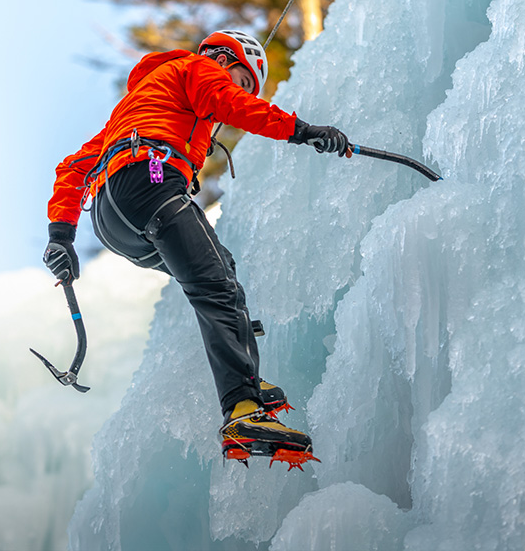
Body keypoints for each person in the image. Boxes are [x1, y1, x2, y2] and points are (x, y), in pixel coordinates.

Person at [44, 30, 348, 466]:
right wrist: (301, 131)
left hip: (113, 218)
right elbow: (231, 102)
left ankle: (243, 373)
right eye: (242, 80)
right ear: (224, 59)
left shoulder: (141, 104)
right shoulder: (197, 67)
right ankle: (242, 408)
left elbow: (73, 167)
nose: (240, 91)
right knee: (215, 285)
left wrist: (61, 236)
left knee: (217, 269)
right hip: (151, 182)